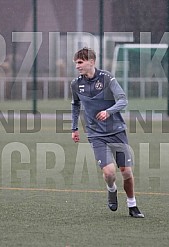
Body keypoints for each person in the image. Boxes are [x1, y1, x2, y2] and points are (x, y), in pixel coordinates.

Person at [70, 47, 144, 218]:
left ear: (91, 62)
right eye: (76, 63)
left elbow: (123, 99)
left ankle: (132, 205)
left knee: (126, 171)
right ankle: (111, 189)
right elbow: (75, 105)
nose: (77, 66)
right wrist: (74, 128)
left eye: (80, 63)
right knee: (109, 172)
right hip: (96, 134)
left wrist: (108, 111)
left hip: (117, 131)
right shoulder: (76, 84)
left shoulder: (107, 78)